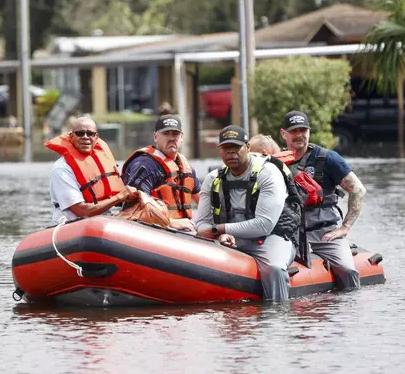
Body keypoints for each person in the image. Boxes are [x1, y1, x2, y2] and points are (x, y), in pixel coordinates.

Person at [195, 125, 300, 302]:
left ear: (248, 148)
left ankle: (279, 317)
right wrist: (220, 236)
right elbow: (202, 225)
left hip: (271, 238)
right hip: (229, 239)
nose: (231, 153)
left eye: (236, 148)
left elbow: (264, 225)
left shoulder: (269, 174)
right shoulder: (213, 179)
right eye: (226, 149)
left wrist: (218, 230)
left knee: (274, 268)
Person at [280, 110, 366, 290]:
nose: (299, 135)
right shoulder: (274, 163)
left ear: (309, 132)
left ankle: (349, 309)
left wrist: (345, 227)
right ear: (284, 134)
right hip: (289, 234)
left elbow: (358, 190)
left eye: (303, 130)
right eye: (294, 131)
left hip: (324, 234)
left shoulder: (328, 158)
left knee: (347, 270)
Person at [45, 117, 136, 224]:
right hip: (71, 226)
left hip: (103, 223)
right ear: (71, 136)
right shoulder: (61, 169)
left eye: (90, 134)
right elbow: (82, 211)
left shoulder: (103, 162)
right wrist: (120, 197)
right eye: (80, 133)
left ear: (96, 137)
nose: (85, 137)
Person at [122, 114, 200, 232]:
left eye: (175, 134)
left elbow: (203, 202)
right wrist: (170, 222)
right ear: (155, 137)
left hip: (184, 232)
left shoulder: (185, 166)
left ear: (181, 137)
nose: (171, 138)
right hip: (153, 233)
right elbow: (133, 210)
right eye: (166, 133)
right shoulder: (145, 165)